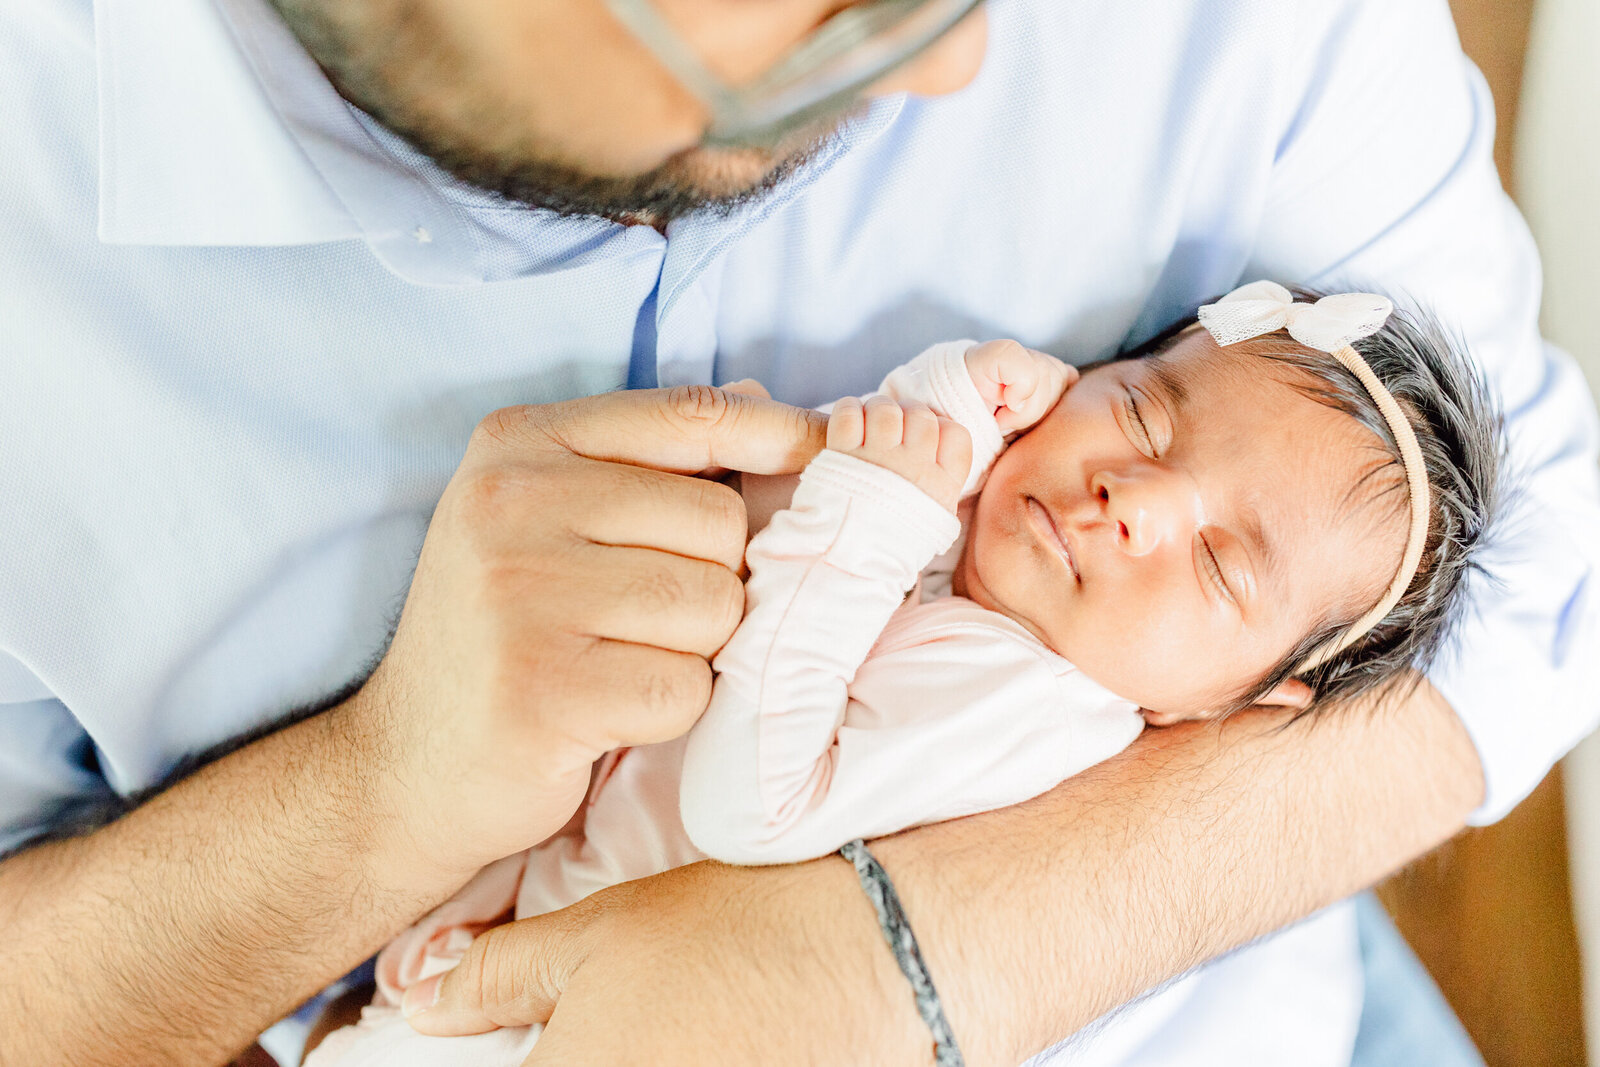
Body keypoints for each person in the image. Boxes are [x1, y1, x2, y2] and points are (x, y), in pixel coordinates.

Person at [0, 1, 1595, 1065]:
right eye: (786, 27)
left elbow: (1545, 575)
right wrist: (368, 793)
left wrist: (908, 964)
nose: (960, 63)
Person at [306, 285, 1501, 1066]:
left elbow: (749, 801)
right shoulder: (980, 573)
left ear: (1229, 706)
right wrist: (940, 419)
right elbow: (778, 547)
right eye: (1140, 413)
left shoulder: (1033, 708)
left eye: (1221, 563)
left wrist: (879, 499)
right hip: (513, 948)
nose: (1130, 502)